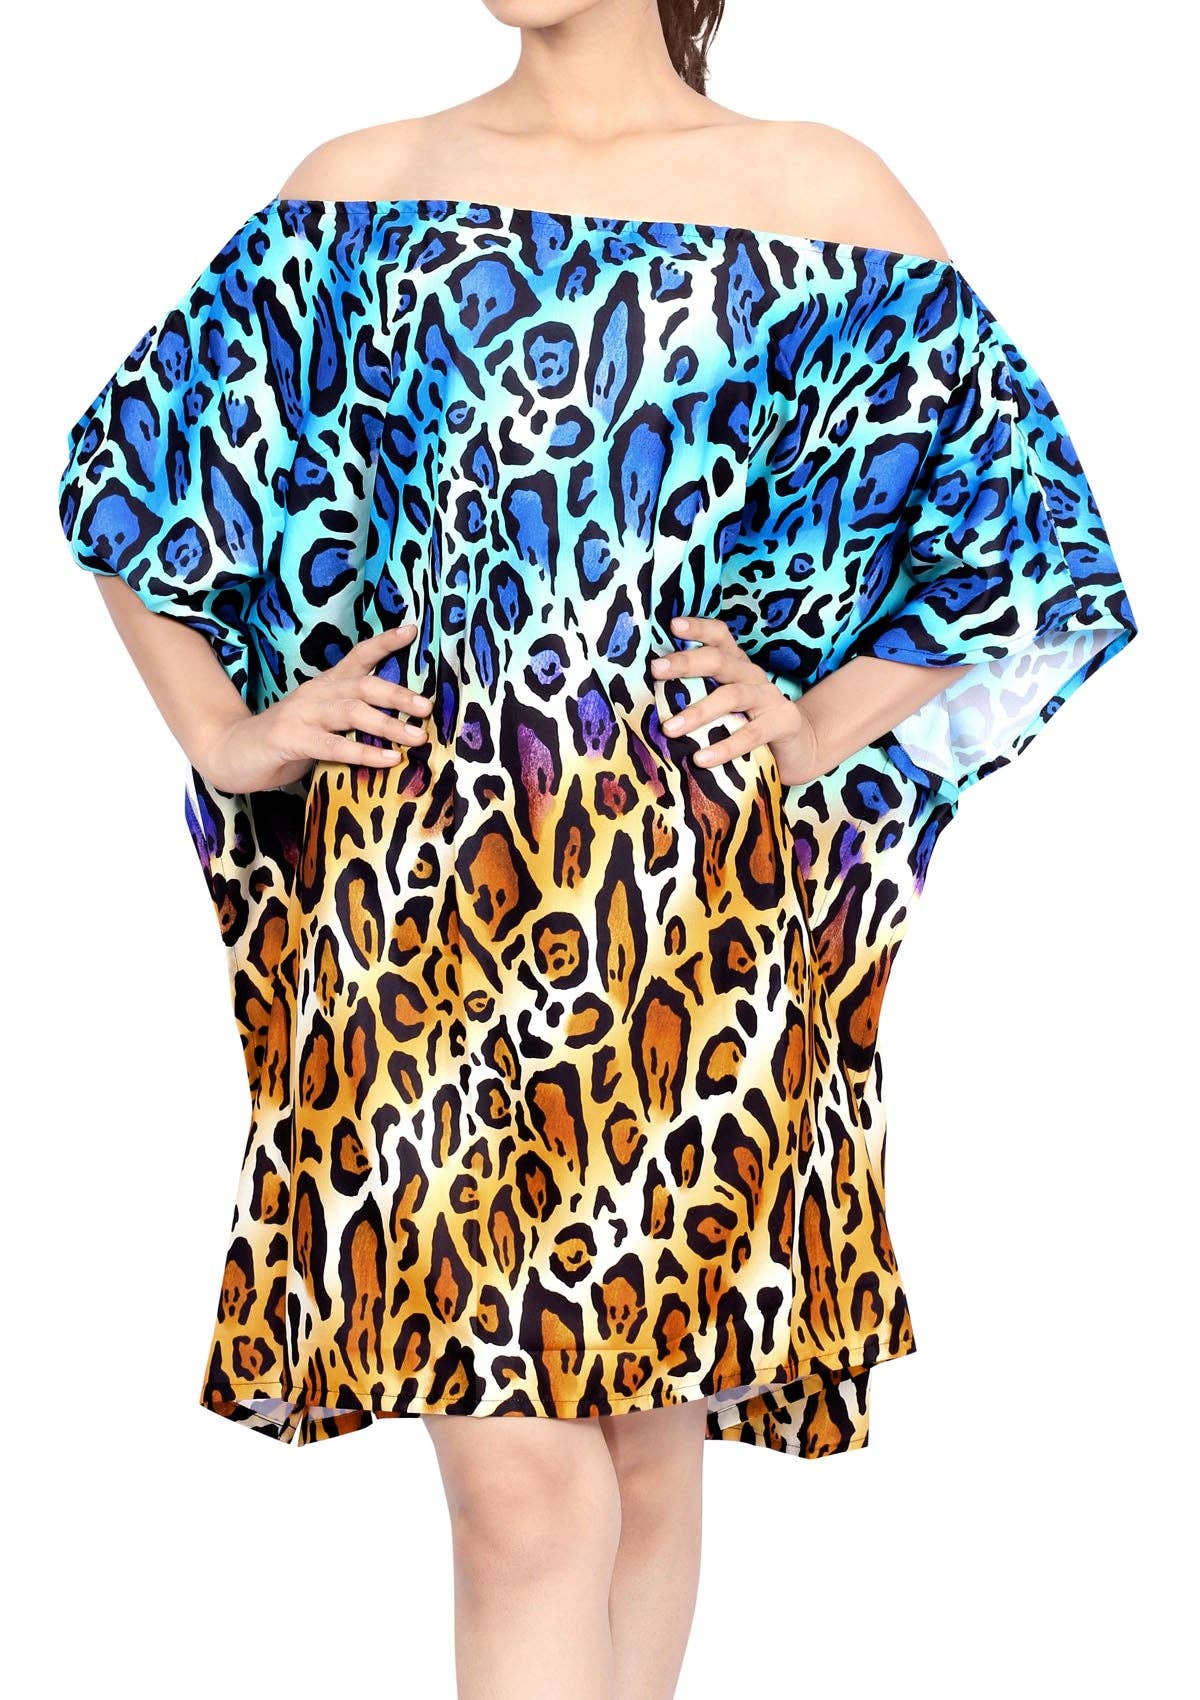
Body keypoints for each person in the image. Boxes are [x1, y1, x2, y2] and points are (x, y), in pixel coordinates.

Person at [56, 2, 1139, 1696]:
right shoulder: (361, 190)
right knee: (520, 1497)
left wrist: (818, 721)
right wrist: (224, 733)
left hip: (693, 923)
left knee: (643, 1453)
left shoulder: (819, 191)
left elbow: (1023, 523)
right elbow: (133, 471)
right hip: (418, 914)